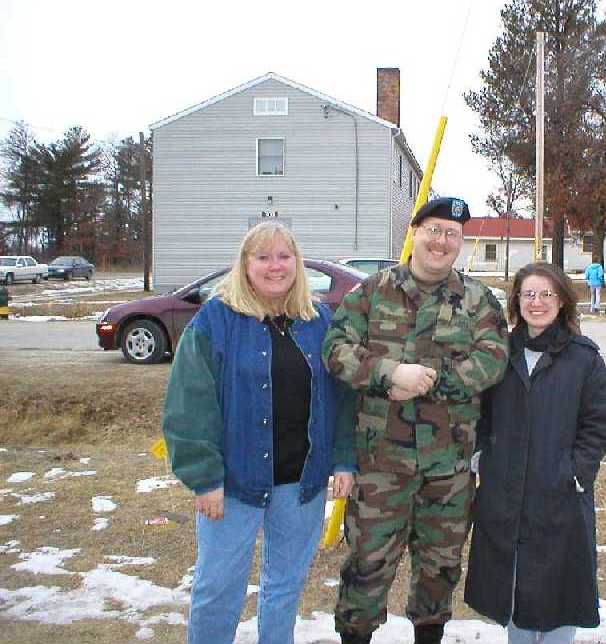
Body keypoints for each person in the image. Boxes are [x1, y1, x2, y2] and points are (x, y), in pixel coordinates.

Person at [323, 197, 510, 644]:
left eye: (452, 234)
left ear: (460, 243)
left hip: (449, 467)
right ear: (416, 233)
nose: (441, 242)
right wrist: (388, 374)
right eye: (434, 230)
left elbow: (493, 360)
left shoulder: (479, 300)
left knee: (440, 569)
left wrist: (425, 381)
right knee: (367, 566)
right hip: (380, 464)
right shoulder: (372, 291)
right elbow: (335, 348)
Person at [161, 221, 356, 644]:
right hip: (232, 486)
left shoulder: (319, 320)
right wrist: (204, 477)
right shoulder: (216, 320)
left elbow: (341, 397)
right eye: (263, 257)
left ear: (297, 263)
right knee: (218, 590)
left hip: (301, 485)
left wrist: (343, 458)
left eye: (284, 256)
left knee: (284, 587)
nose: (275, 266)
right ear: (245, 264)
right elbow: (188, 405)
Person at [464, 261, 606, 644]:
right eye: (529, 294)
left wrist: (577, 473)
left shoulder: (584, 358)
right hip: (505, 494)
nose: (537, 302)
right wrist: (484, 456)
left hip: (560, 494)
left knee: (560, 587)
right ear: (516, 301)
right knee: (514, 587)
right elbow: (480, 411)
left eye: (547, 294)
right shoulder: (499, 353)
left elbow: (598, 423)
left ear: (562, 300)